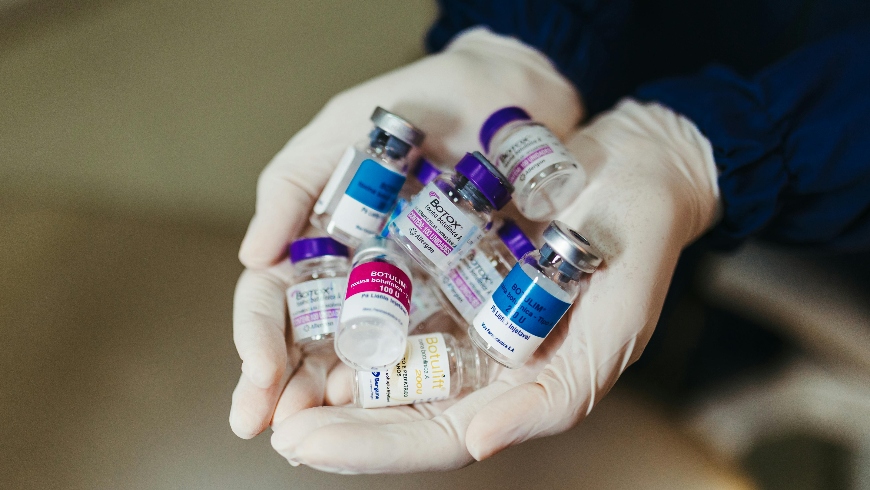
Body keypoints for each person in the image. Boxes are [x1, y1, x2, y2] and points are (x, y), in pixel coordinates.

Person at [228, 1, 870, 473]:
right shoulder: (452, 224)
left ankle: (777, 365)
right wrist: (516, 41)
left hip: (834, 161)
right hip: (647, 51)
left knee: (690, 279)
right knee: (663, 296)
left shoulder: (485, 236)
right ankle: (727, 365)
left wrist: (699, 157)